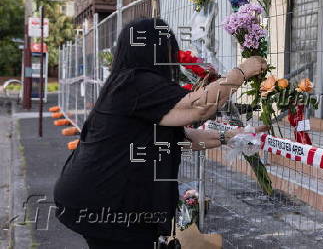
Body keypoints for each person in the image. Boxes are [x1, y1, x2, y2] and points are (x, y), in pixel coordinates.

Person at [53, 18, 268, 249]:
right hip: (106, 205)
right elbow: (199, 107)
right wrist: (240, 73)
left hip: (97, 199)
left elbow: (183, 141)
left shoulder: (127, 84)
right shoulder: (135, 83)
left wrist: (230, 137)